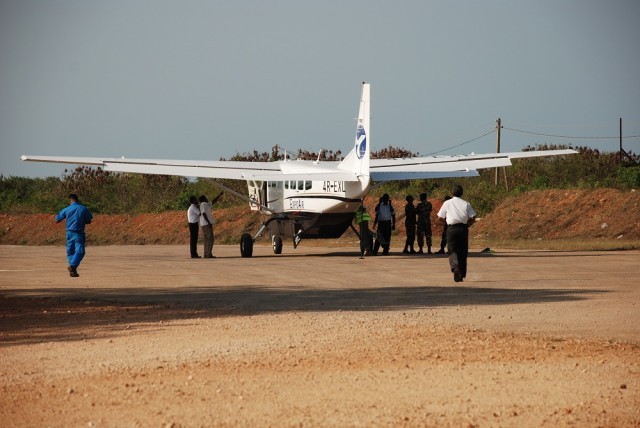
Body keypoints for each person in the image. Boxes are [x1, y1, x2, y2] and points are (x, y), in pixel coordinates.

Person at [437, 185, 476, 283]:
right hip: (463, 228)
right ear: (462, 193)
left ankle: (455, 268)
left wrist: (447, 223)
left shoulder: (447, 203)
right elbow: (473, 217)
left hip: (451, 228)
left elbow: (439, 217)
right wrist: (467, 225)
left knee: (452, 249)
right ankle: (461, 273)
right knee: (463, 251)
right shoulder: (466, 203)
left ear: (452, 193)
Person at [55, 193, 93, 277]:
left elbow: (57, 220)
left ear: (70, 200)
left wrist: (65, 217)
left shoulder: (66, 209)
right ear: (77, 199)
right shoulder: (84, 209)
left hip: (69, 233)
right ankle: (73, 265)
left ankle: (73, 270)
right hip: (78, 233)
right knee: (80, 251)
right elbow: (89, 221)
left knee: (70, 252)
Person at [199, 192, 224, 258]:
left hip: (205, 224)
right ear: (204, 199)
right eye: (206, 198)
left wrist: (219, 195)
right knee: (210, 238)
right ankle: (208, 254)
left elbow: (213, 201)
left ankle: (206, 253)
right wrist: (208, 222)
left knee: (207, 239)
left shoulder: (206, 204)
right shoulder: (203, 204)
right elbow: (203, 213)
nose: (207, 198)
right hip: (206, 224)